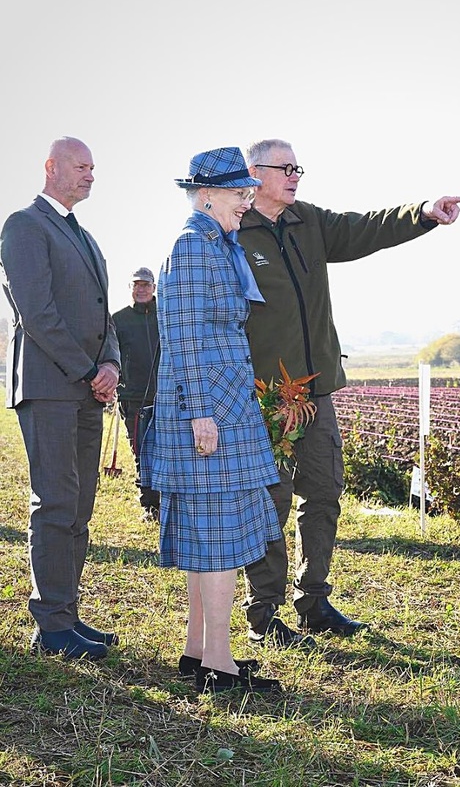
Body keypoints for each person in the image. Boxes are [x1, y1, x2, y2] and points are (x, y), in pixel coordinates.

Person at [239, 138, 460, 648]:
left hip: (316, 391)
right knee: (270, 502)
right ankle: (263, 612)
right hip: (265, 398)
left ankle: (313, 600)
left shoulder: (309, 222)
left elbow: (366, 227)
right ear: (254, 173)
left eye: (299, 167)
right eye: (286, 167)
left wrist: (424, 213)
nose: (297, 175)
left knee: (323, 494)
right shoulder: (233, 229)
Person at [144, 147, 282, 695]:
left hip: (222, 404)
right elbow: (184, 338)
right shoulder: (194, 246)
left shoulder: (215, 244)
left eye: (249, 193)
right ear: (206, 195)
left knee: (210, 535)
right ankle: (218, 667)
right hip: (209, 410)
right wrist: (201, 412)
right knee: (219, 536)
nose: (247, 203)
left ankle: (199, 652)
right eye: (238, 194)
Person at [0, 136, 121, 660]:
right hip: (50, 387)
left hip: (88, 389)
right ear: (51, 167)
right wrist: (88, 369)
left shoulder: (85, 236)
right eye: (81, 166)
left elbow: (102, 312)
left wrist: (111, 363)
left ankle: (66, 615)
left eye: (94, 167)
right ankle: (49, 626)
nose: (91, 175)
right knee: (54, 502)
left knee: (79, 506)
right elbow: (36, 313)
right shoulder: (24, 225)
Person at [111, 266, 161, 518]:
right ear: (130, 288)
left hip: (167, 396)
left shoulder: (166, 315)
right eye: (136, 285)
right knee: (142, 452)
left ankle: (168, 503)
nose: (141, 289)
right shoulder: (118, 319)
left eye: (146, 284)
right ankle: (149, 505)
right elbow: (111, 356)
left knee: (167, 451)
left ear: (154, 287)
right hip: (133, 398)